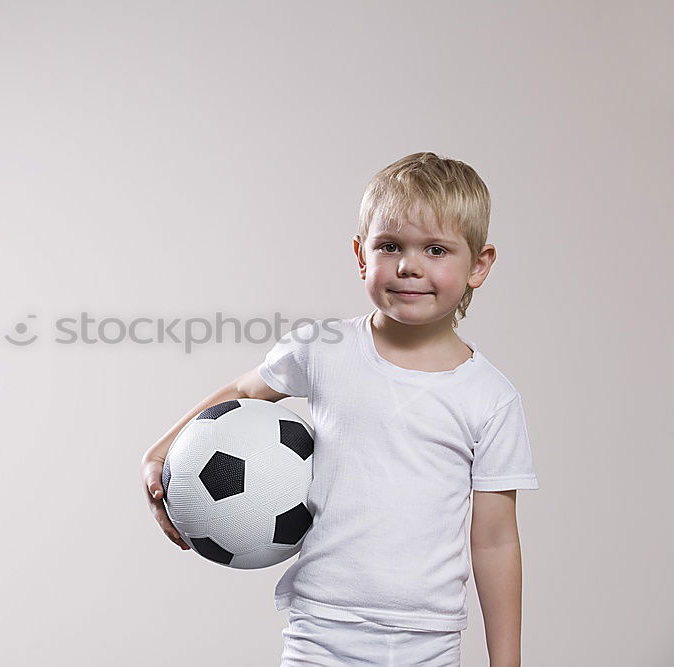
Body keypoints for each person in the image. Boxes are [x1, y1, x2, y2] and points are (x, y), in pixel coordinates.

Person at [141, 151, 539, 667]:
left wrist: (506, 664)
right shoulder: (324, 348)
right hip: (320, 632)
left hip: (428, 641)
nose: (408, 265)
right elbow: (244, 389)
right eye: (389, 246)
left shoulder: (490, 397)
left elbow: (495, 541)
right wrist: (157, 453)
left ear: (479, 266)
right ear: (360, 255)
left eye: (436, 249)